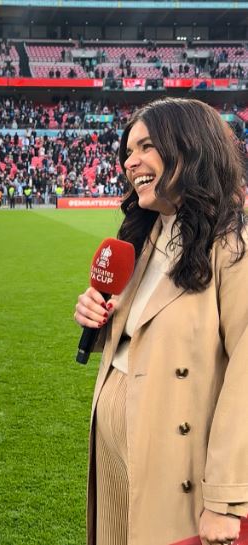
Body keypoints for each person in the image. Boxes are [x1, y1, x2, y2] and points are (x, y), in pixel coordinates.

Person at [74, 98, 248, 545]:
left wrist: (226, 501)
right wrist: (98, 320)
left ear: (189, 149)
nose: (130, 162)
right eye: (128, 151)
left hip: (176, 465)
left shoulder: (234, 242)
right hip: (115, 454)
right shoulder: (144, 232)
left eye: (146, 147)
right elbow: (149, 332)